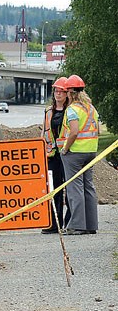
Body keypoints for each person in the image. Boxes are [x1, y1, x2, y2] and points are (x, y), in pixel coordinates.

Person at [58, 75, 99, 235]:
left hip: (75, 152)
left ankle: (77, 225)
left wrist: (65, 149)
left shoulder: (72, 109)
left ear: (69, 93)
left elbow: (74, 131)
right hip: (91, 151)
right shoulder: (91, 108)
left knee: (74, 189)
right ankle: (90, 225)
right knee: (88, 187)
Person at [41, 77, 71, 233]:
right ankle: (55, 223)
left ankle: (69, 223)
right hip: (52, 155)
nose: (58, 94)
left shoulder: (71, 110)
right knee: (55, 190)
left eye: (62, 91)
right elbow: (44, 133)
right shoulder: (48, 111)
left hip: (68, 154)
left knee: (70, 190)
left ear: (67, 94)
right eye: (56, 91)